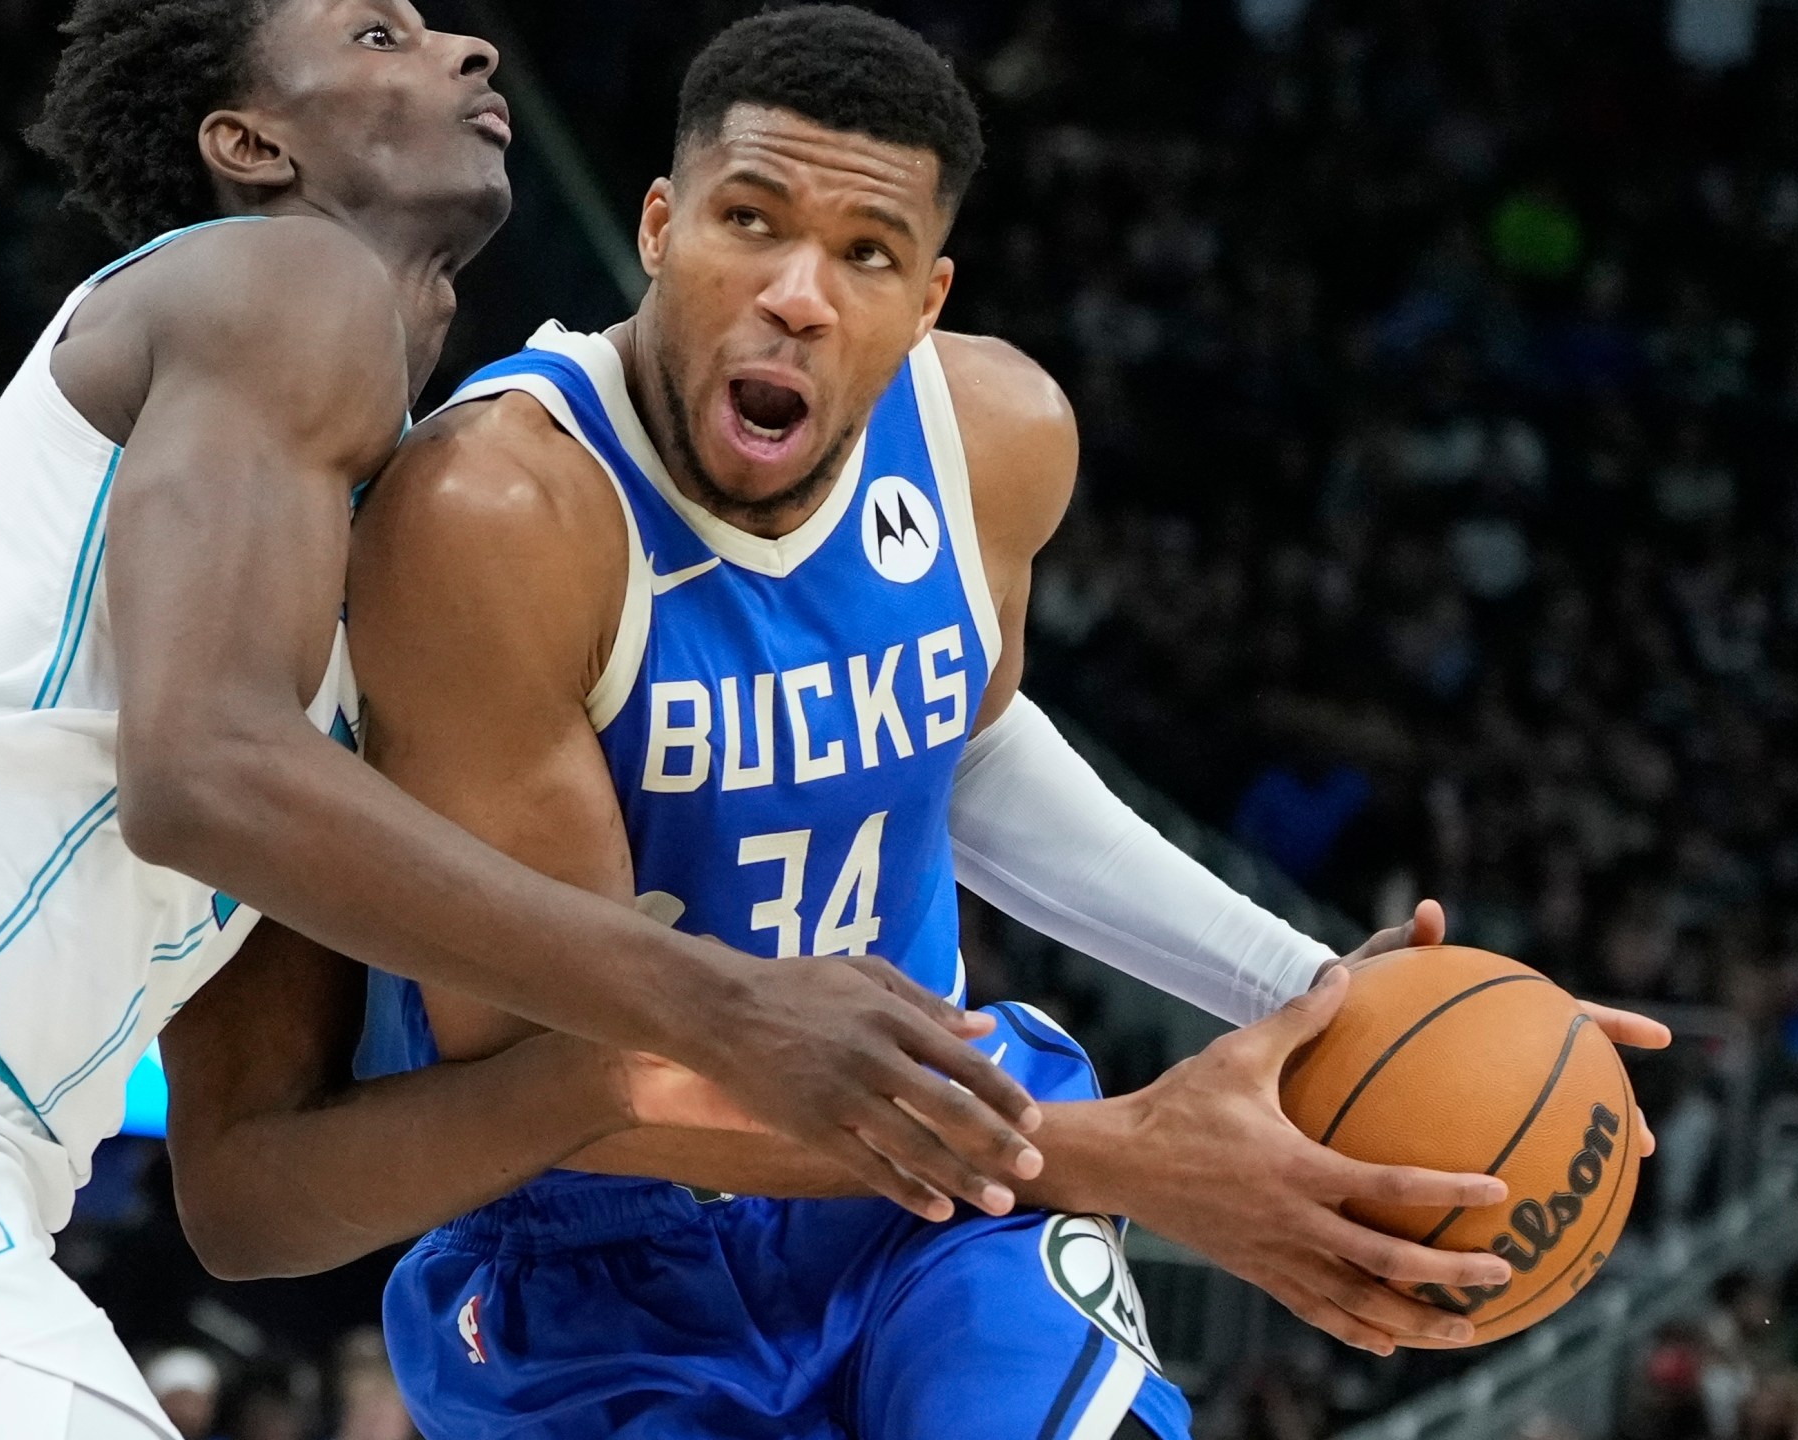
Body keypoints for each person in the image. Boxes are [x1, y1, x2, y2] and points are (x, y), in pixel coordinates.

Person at [161, 9, 1668, 1437]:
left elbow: (966, 740)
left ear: (928, 296)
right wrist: (1120, 1156)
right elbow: (572, 1080)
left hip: (942, 1184)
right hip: (603, 1249)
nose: (800, 294)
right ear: (659, 230)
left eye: (866, 252)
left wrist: (1319, 989)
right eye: (751, 222)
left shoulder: (994, 435)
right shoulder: (494, 516)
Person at [0, 5, 1044, 1438]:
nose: (467, 45)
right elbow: (200, 778)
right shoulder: (282, 281)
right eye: (377, 37)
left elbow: (251, 1201)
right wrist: (717, 1002)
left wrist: (599, 1074)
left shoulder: (328, 553)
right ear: (249, 140)